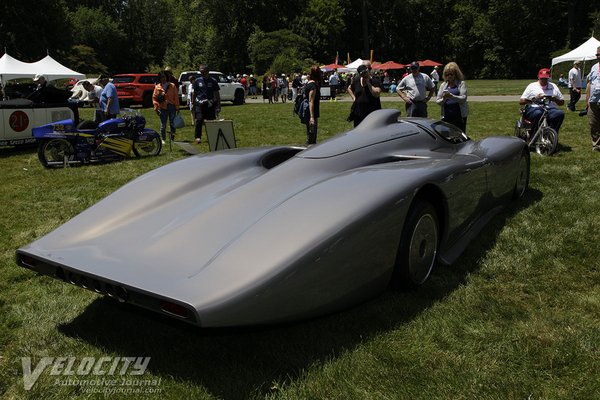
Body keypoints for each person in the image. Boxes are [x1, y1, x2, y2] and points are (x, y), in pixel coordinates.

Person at [519, 68, 565, 135]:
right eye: (542, 78)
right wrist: (534, 99)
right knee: (538, 113)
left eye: (545, 78)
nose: (544, 80)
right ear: (538, 77)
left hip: (550, 109)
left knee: (560, 113)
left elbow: (562, 102)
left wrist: (554, 99)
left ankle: (551, 135)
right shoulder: (532, 86)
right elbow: (521, 101)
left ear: (548, 78)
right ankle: (533, 134)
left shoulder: (553, 86)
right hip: (534, 108)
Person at [435, 62, 469, 132]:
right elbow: (438, 101)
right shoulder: (443, 85)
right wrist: (444, 99)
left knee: (459, 136)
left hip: (459, 116)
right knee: (446, 137)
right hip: (446, 116)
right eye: (447, 74)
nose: (449, 76)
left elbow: (463, 98)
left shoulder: (461, 84)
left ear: (456, 74)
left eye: (451, 74)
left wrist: (451, 96)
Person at [192, 65, 220, 144]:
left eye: (203, 72)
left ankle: (212, 136)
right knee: (199, 120)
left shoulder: (213, 81)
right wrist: (193, 103)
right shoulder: (197, 81)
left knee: (210, 121)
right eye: (201, 72)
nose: (202, 73)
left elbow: (216, 93)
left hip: (210, 104)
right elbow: (195, 93)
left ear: (207, 71)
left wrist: (218, 105)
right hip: (200, 104)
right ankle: (198, 137)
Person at [347, 62, 382, 127]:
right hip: (358, 112)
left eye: (366, 71)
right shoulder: (356, 79)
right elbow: (349, 88)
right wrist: (354, 98)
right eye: (362, 74)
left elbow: (376, 94)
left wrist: (368, 83)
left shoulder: (374, 80)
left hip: (372, 112)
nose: (364, 75)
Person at [153, 71, 180, 144]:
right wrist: (156, 108)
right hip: (162, 107)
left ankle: (172, 139)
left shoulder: (172, 85)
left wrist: (177, 107)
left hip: (172, 106)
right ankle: (163, 139)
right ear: (159, 78)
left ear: (166, 77)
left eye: (164, 77)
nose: (163, 79)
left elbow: (176, 97)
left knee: (172, 124)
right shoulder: (157, 87)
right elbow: (154, 99)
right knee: (163, 125)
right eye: (161, 77)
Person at [585, 46, 600, 151]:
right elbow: (590, 83)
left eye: (599, 54)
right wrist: (587, 99)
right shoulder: (594, 67)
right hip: (594, 100)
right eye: (597, 54)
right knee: (593, 123)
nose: (597, 56)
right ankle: (596, 144)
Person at [304, 65, 322, 145]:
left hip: (311, 110)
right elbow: (311, 101)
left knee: (311, 132)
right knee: (312, 133)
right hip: (312, 111)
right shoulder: (313, 86)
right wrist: (312, 117)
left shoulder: (310, 83)